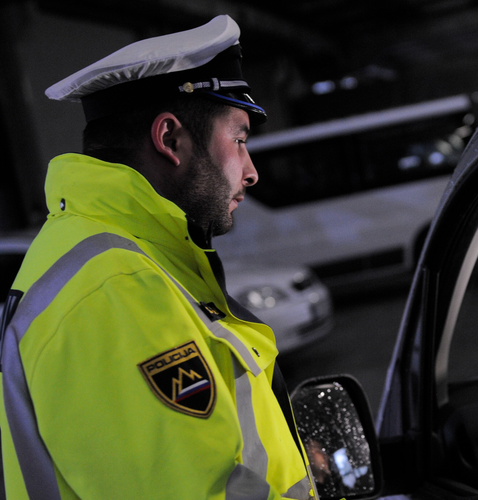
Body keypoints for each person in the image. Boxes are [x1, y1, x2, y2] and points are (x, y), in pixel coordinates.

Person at [0, 16, 319, 499]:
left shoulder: (125, 258)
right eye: (239, 139)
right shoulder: (115, 287)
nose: (251, 173)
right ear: (170, 139)